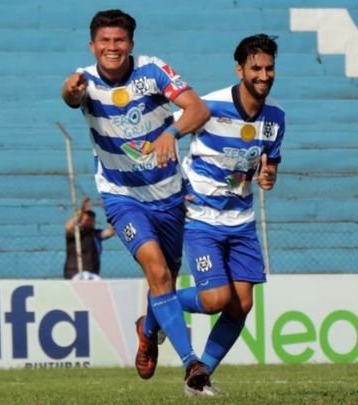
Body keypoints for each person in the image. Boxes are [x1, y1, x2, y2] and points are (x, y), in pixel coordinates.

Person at [61, 9, 212, 393]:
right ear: (92, 45)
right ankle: (191, 364)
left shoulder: (153, 71)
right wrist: (69, 92)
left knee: (166, 278)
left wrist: (172, 132)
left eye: (119, 41)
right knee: (157, 271)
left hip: (168, 194)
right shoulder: (85, 81)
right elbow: (69, 96)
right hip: (121, 195)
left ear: (131, 44)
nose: (112, 48)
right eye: (105, 41)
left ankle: (147, 329)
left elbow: (198, 108)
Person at [173, 34, 285, 395]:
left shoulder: (276, 120)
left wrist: (268, 178)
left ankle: (200, 376)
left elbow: (269, 169)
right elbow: (162, 137)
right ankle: (161, 305)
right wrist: (176, 185)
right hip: (201, 218)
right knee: (215, 301)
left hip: (242, 220)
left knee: (243, 304)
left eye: (269, 68)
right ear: (240, 70)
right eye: (256, 68)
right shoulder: (208, 106)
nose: (264, 75)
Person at [63, 196, 115, 280]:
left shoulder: (95, 234)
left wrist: (109, 210)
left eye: (91, 219)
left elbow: (111, 231)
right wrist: (81, 211)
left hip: (93, 273)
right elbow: (68, 227)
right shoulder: (75, 233)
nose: (89, 221)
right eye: (86, 219)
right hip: (75, 272)